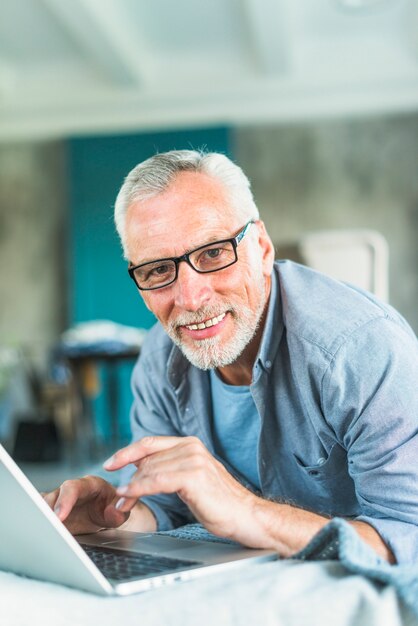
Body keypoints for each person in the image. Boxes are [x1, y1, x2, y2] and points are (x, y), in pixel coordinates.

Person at [44, 150, 418, 564]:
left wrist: (247, 512)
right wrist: (110, 516)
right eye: (157, 270)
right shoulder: (159, 356)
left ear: (261, 247)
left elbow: (408, 537)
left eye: (213, 253)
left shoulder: (359, 349)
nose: (190, 298)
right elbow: (168, 506)